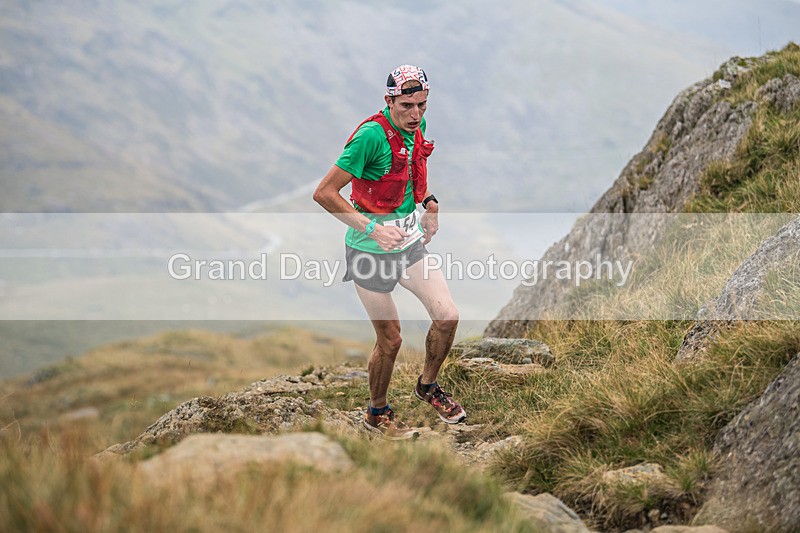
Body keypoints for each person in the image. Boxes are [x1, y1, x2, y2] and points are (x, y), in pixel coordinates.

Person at [313, 64, 466, 440]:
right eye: (407, 106)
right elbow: (324, 193)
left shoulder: (417, 126)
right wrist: (373, 229)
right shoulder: (370, 137)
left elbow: (414, 172)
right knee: (391, 340)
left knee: (447, 318)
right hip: (368, 251)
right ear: (389, 101)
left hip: (409, 242)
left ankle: (427, 387)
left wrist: (429, 203)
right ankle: (376, 413)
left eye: (422, 105)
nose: (415, 114)